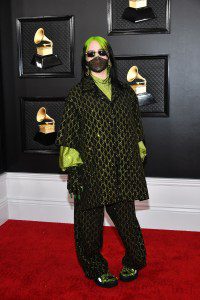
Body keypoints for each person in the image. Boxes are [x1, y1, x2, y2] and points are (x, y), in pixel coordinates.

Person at [55, 36, 149, 288]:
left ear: (110, 56)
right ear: (84, 60)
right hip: (91, 172)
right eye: (90, 53)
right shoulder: (77, 95)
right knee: (89, 228)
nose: (97, 57)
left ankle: (134, 260)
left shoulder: (126, 93)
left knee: (128, 222)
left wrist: (136, 160)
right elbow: (69, 134)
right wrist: (75, 172)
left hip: (121, 169)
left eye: (102, 52)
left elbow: (136, 131)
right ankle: (95, 267)